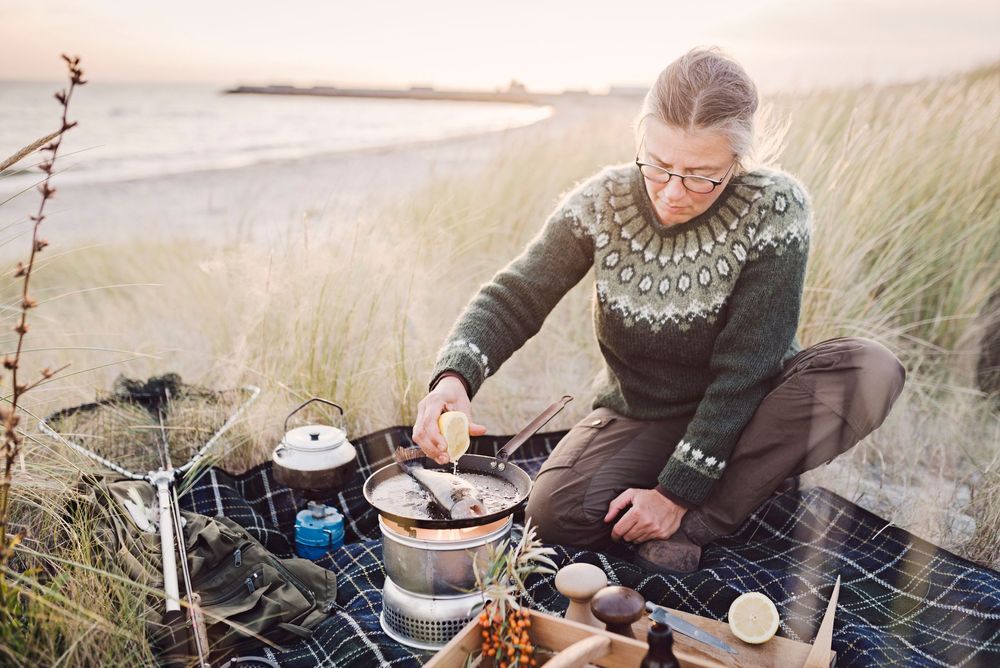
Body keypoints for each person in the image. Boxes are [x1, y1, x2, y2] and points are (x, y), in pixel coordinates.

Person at [411, 47, 905, 574]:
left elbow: (748, 369)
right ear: (641, 139)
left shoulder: (775, 208)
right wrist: (454, 378)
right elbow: (517, 294)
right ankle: (737, 481)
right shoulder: (603, 202)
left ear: (737, 160)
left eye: (700, 175)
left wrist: (674, 497)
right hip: (645, 413)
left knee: (869, 369)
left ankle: (704, 521)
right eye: (659, 165)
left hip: (754, 406)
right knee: (551, 514)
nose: (672, 192)